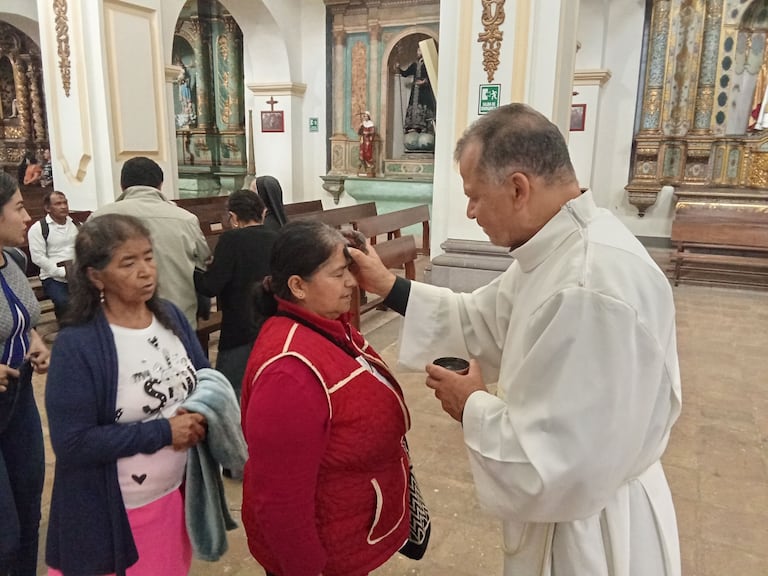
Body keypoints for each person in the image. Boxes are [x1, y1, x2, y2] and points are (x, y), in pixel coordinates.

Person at [348, 103, 682, 576]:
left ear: (518, 187)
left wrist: (472, 406)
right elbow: (479, 320)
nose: (470, 211)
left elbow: (560, 462)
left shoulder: (588, 286)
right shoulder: (558, 253)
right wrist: (388, 286)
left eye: (475, 196)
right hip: (578, 512)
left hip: (590, 536)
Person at [241, 220, 412, 576]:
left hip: (349, 529)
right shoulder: (288, 373)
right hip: (324, 558)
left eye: (349, 270)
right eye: (338, 274)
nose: (351, 282)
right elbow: (280, 499)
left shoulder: (325, 329)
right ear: (298, 286)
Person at [45, 214, 209, 576]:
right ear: (95, 275)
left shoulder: (170, 317)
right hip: (113, 513)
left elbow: (204, 380)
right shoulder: (78, 344)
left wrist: (207, 413)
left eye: (149, 257)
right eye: (128, 263)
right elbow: (72, 443)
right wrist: (165, 432)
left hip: (172, 501)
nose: (146, 271)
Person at [90, 156, 211, 327]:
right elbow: (203, 263)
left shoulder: (99, 218)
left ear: (122, 186)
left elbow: (86, 270)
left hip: (120, 322)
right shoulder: (186, 219)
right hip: (177, 316)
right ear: (160, 185)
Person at [0, 171, 50, 576]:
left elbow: (20, 316)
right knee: (4, 530)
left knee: (29, 507)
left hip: (19, 398)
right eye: (18, 207)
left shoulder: (12, 259)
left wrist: (33, 338)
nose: (27, 216)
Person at [194, 189, 277, 401]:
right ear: (264, 212)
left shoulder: (231, 239)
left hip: (239, 329)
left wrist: (192, 271)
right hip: (272, 327)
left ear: (233, 216)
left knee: (230, 393)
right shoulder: (277, 237)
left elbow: (211, 286)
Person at [27, 190, 79, 320]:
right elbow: (38, 257)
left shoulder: (75, 225)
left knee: (92, 299)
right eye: (58, 204)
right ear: (47, 208)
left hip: (77, 273)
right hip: (53, 277)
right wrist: (61, 272)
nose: (63, 206)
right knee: (64, 302)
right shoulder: (39, 228)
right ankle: (66, 331)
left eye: (65, 202)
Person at [396, 46, 436, 134]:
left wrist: (424, 81)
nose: (417, 52)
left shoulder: (428, 64)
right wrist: (399, 68)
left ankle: (424, 126)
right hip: (415, 90)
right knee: (414, 106)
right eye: (417, 50)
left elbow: (433, 76)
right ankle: (413, 126)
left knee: (424, 106)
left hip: (425, 91)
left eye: (419, 50)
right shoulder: (415, 65)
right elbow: (405, 73)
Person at [357, 111, 376, 176]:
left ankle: (369, 166)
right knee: (362, 153)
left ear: (368, 117)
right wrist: (360, 127)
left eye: (366, 116)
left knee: (368, 152)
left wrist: (367, 133)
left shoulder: (371, 123)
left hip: (368, 140)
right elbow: (359, 133)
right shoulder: (363, 123)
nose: (365, 117)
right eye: (364, 116)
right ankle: (364, 166)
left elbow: (372, 132)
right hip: (363, 140)